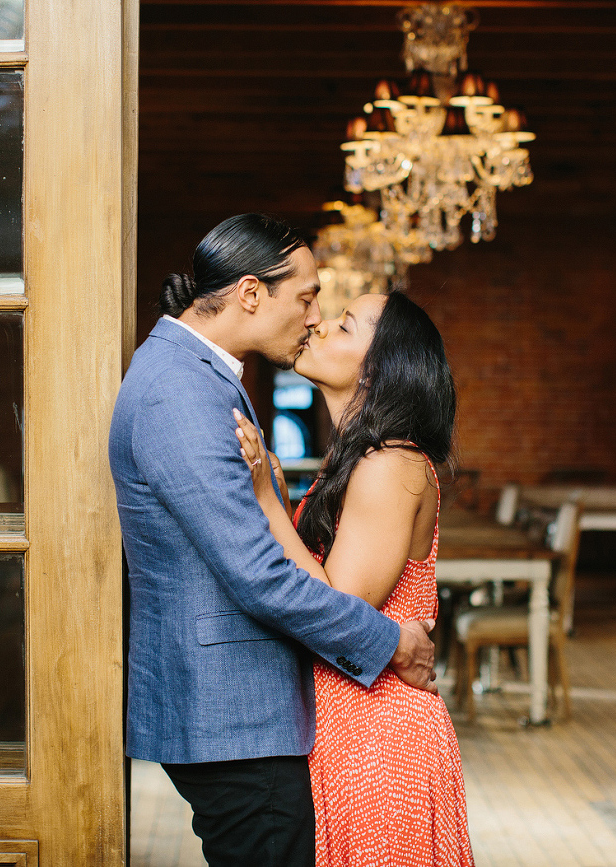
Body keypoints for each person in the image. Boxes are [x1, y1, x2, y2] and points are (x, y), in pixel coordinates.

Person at [109, 214, 438, 867]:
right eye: (309, 296)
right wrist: (391, 640)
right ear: (252, 294)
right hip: (232, 715)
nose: (314, 315)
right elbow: (259, 572)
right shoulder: (180, 388)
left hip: (265, 714)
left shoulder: (201, 377)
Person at [234, 291, 475, 866]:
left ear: (379, 369)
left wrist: (267, 500)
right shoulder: (361, 457)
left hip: (381, 735)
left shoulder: (390, 462)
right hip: (351, 724)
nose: (317, 328)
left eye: (343, 326)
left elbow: (334, 606)